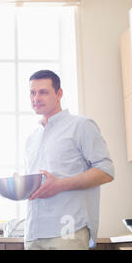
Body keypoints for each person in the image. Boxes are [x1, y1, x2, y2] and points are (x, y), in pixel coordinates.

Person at [24, 70, 114, 250]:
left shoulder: (81, 126)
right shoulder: (32, 138)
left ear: (59, 94)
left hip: (68, 229)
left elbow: (106, 171)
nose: (36, 98)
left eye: (43, 92)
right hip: (34, 231)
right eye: (32, 93)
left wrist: (60, 184)